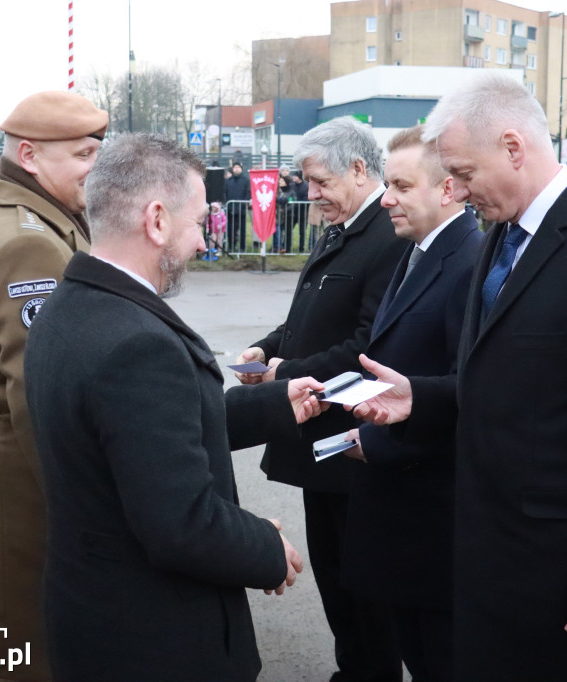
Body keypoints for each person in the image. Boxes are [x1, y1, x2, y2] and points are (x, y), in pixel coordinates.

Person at [354, 72, 567, 681]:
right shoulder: (502, 237)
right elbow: (517, 386)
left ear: (513, 148)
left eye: (463, 172)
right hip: (499, 573)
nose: (455, 189)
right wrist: (419, 398)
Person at [24, 132, 317, 681]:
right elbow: (181, 523)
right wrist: (266, 547)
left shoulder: (73, 304)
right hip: (153, 641)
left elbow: (141, 434)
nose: (204, 242)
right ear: (157, 220)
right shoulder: (137, 344)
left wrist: (272, 406)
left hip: (93, 617)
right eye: (199, 222)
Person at [0, 90, 108, 682]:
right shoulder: (30, 241)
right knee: (23, 646)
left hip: (0, 460)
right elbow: (38, 394)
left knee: (5, 626)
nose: (99, 166)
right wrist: (82, 504)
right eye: (85, 154)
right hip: (23, 471)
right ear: (31, 156)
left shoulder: (32, 219)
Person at [235, 115, 406, 682]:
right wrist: (265, 350)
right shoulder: (343, 228)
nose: (310, 195)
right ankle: (352, 668)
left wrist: (289, 372)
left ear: (359, 169)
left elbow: (368, 344)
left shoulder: (387, 236)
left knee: (362, 582)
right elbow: (306, 316)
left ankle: (369, 673)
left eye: (319, 182)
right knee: (336, 575)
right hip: (318, 438)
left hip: (349, 437)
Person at [339, 126, 482, 682]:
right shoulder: (418, 251)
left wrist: (377, 440)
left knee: (439, 660)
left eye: (400, 185)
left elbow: (464, 392)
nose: (386, 198)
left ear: (448, 189)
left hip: (431, 518)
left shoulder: (468, 262)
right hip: (401, 511)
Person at [224, 161, 250, 251]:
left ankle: (242, 247)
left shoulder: (246, 180)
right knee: (230, 230)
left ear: (241, 169)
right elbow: (225, 193)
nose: (236, 169)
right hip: (230, 210)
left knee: (242, 230)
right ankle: (231, 246)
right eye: (235, 167)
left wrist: (243, 204)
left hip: (241, 210)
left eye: (238, 167)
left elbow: (248, 193)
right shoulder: (228, 181)